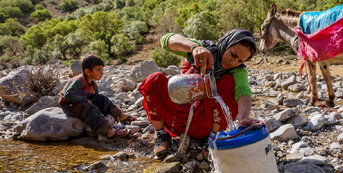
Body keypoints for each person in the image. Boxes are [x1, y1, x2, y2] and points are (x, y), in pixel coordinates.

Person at [139, 29, 261, 158]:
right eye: (233, 55)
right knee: (154, 79)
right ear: (227, 43)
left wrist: (243, 118)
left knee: (228, 82)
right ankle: (161, 134)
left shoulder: (238, 71)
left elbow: (243, 91)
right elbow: (166, 40)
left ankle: (212, 138)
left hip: (203, 124)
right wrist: (194, 47)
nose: (233, 63)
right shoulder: (203, 49)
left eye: (240, 61)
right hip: (176, 117)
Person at [59, 54, 136, 138]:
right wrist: (85, 101)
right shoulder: (78, 81)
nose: (102, 73)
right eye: (98, 70)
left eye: (102, 69)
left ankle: (120, 115)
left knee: (101, 98)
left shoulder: (93, 84)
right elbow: (68, 94)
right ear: (87, 72)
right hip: (70, 105)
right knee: (88, 107)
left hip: (83, 102)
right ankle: (107, 131)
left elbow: (96, 98)